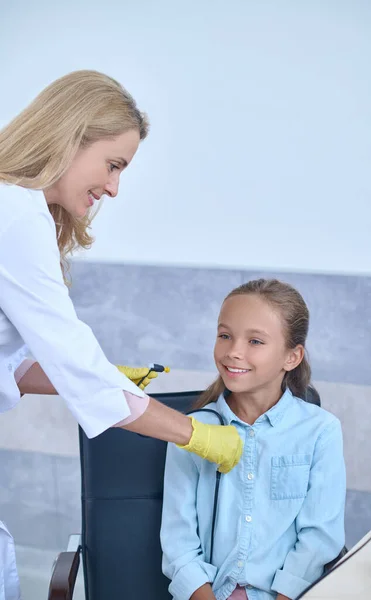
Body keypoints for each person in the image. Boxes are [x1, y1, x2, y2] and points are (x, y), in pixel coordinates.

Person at [0, 69, 242, 599]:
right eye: (113, 165)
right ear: (69, 134)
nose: (113, 187)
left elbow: (9, 366)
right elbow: (78, 368)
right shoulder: (16, 216)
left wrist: (104, 377)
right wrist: (198, 434)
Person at [161, 279, 346, 600]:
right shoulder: (189, 430)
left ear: (292, 356)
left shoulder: (320, 431)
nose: (233, 351)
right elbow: (178, 542)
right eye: (224, 336)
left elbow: (319, 538)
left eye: (255, 341)